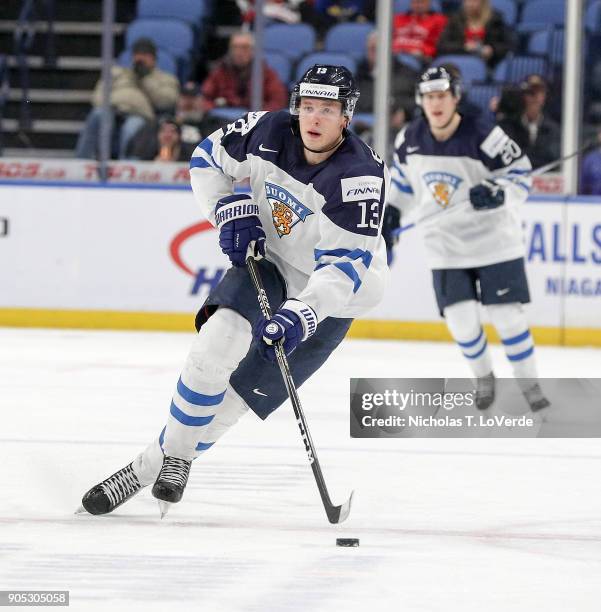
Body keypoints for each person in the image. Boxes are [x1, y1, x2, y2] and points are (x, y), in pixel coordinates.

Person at [79, 64, 390, 516]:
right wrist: (226, 207)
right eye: (307, 107)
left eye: (327, 109)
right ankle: (179, 459)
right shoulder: (265, 129)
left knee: (233, 402)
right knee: (215, 343)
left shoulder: (360, 176)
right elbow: (205, 159)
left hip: (336, 295)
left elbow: (345, 268)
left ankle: (147, 467)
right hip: (272, 261)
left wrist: (301, 314)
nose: (314, 119)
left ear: (346, 116)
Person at [387, 66, 550, 412]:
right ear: (421, 101)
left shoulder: (484, 135)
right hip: (443, 245)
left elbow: (521, 176)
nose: (436, 103)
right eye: (429, 97)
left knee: (508, 317)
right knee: (461, 322)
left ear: (456, 98)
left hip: (494, 242)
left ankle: (530, 383)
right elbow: (403, 187)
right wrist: (393, 212)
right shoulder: (409, 139)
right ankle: (483, 378)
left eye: (442, 96)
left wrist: (499, 193)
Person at [75, 38, 179, 159]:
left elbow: (167, 101)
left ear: (154, 59)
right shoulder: (117, 73)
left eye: (145, 55)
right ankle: (82, 161)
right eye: (137, 54)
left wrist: (144, 79)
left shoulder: (165, 78)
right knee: (98, 115)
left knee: (131, 128)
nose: (140, 59)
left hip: (139, 114)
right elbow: (97, 95)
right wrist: (110, 105)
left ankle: (125, 167)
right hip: (111, 109)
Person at [200, 32, 288, 114]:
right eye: (235, 47)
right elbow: (205, 97)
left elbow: (277, 101)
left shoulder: (266, 73)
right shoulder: (220, 72)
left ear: (253, 51)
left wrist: (260, 116)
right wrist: (214, 108)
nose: (239, 52)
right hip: (224, 122)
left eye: (244, 47)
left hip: (255, 121)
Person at [497, 74, 561, 170]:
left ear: (544, 96)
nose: (534, 97)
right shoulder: (510, 126)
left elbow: (552, 159)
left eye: (538, 91)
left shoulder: (553, 129)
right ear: (522, 96)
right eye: (530, 92)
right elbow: (504, 158)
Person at [437, 0, 512, 68]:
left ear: (483, 3)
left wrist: (492, 50)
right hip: (459, 64)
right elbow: (442, 45)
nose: (470, 4)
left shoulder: (495, 21)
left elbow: (508, 45)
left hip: (489, 66)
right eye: (467, 1)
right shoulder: (455, 20)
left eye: (474, 1)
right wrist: (464, 47)